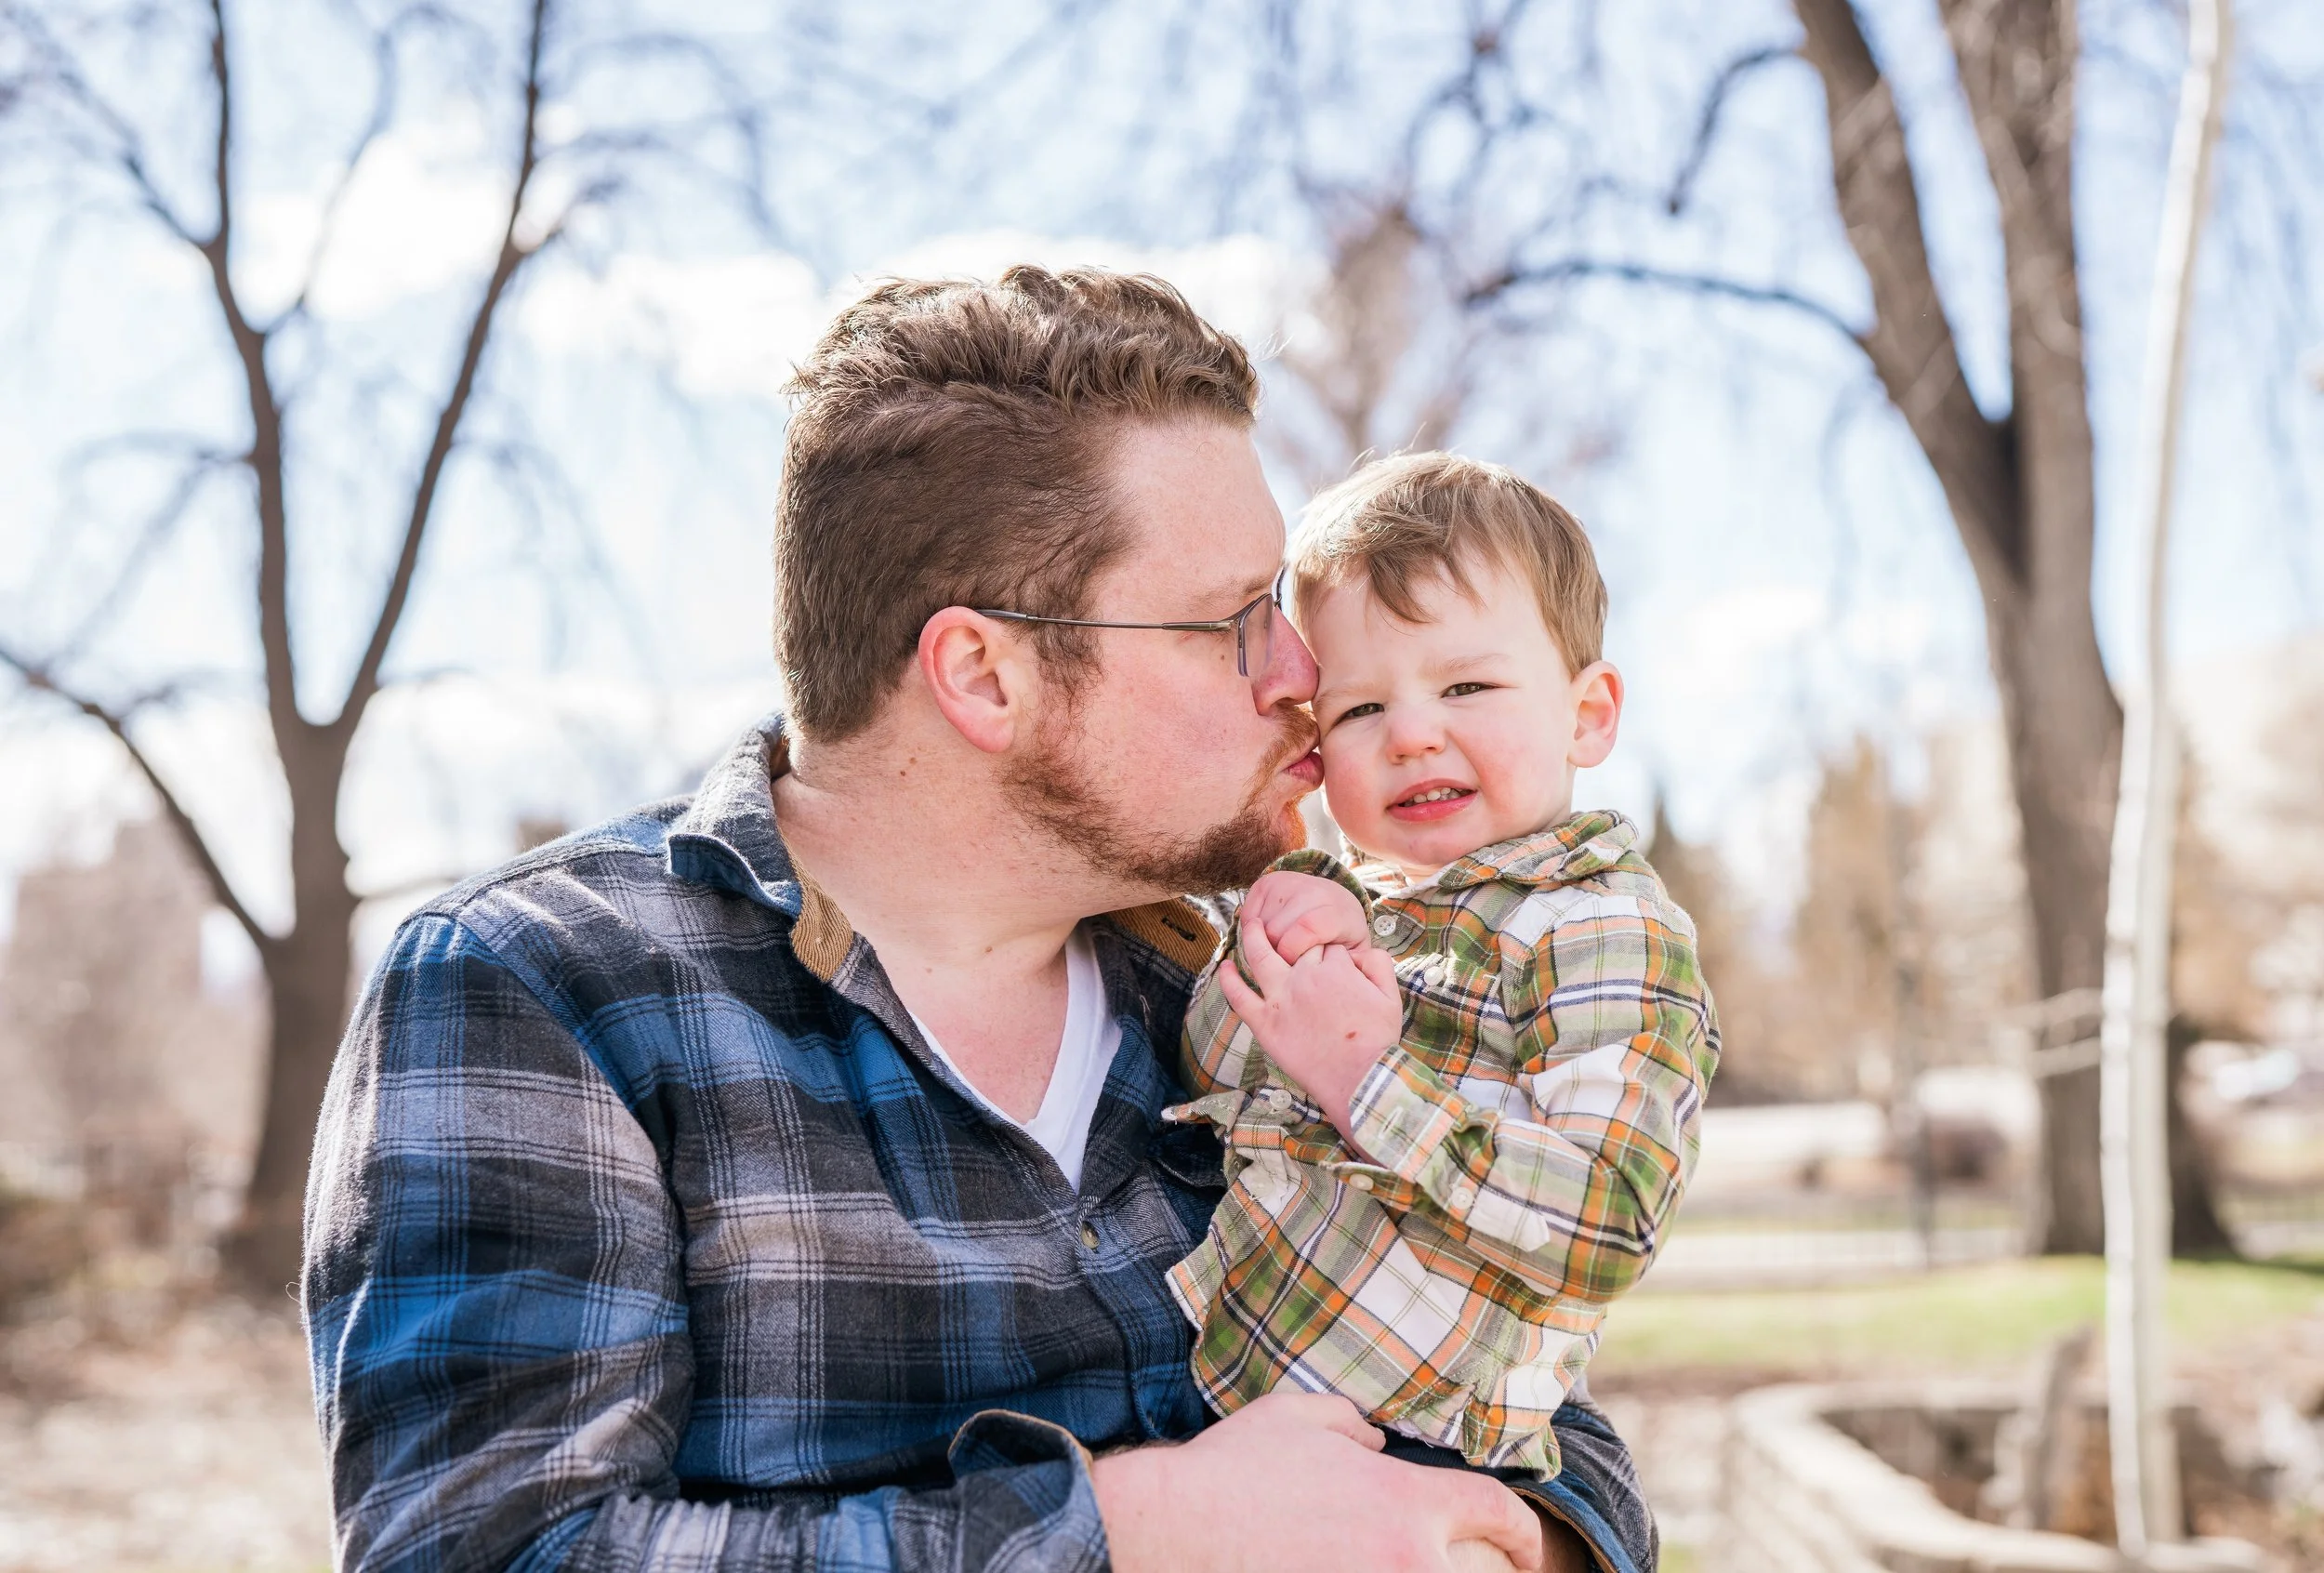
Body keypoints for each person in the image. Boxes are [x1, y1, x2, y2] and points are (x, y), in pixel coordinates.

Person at [302, 268, 1657, 1573]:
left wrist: (1505, 1545)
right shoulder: (546, 988)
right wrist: (1132, 1538)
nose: (1307, 677)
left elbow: (1532, 1383)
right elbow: (489, 1548)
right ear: (985, 675)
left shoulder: (1256, 980)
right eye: (1235, 622)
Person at [1164, 453, 1720, 1488]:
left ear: (1587, 714)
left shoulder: (1594, 928)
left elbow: (1605, 1226)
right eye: (1360, 710)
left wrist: (1364, 1081)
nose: (1413, 733)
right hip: (1221, 1413)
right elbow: (1205, 1088)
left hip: (1427, 1454)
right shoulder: (1358, 907)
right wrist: (1279, 943)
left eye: (1466, 685)